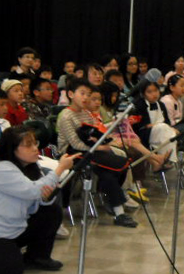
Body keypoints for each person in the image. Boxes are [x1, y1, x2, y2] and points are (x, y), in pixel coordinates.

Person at [0, 126, 75, 274]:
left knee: (51, 211)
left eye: (35, 143)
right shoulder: (1, 168)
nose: (35, 149)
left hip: (10, 229)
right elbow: (32, 191)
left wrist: (45, 198)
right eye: (28, 145)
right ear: (12, 149)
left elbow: (37, 199)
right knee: (10, 270)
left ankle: (37, 257)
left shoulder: (32, 167)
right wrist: (60, 168)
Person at [57, 78, 138, 227]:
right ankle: (117, 209)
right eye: (82, 93)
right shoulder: (66, 116)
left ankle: (116, 208)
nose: (85, 98)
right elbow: (75, 143)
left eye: (88, 94)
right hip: (72, 154)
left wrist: (105, 142)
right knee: (115, 165)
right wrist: (99, 148)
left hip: (91, 151)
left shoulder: (86, 114)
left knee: (115, 166)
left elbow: (99, 133)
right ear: (70, 94)